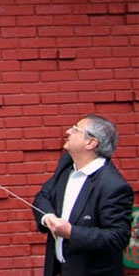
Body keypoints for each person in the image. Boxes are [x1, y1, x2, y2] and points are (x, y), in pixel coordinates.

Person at [33, 114, 134, 276]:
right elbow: (43, 196)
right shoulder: (67, 165)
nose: (68, 131)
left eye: (75, 129)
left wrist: (70, 232)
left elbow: (117, 237)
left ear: (91, 143)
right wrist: (48, 217)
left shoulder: (113, 186)